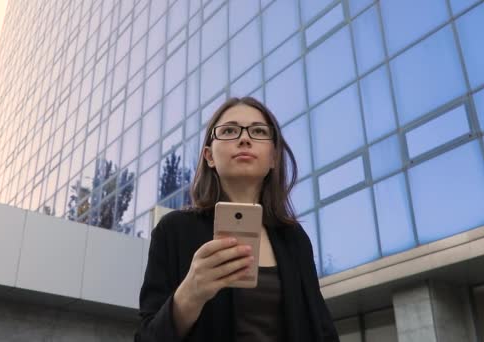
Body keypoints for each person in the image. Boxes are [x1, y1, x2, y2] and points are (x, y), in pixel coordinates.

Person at [134, 97, 339, 341]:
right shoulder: (173, 230)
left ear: (273, 157)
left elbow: (322, 330)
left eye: (259, 131)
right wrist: (190, 293)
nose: (244, 138)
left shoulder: (294, 239)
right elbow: (146, 337)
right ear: (209, 156)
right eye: (230, 130)